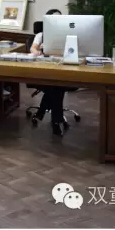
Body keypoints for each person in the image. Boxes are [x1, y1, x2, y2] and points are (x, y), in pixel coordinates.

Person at [29, 8, 68, 137]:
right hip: (43, 71)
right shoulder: (41, 35)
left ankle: (42, 113)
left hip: (62, 71)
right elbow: (32, 49)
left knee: (55, 86)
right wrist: (38, 51)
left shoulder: (67, 35)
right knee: (56, 87)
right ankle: (56, 121)